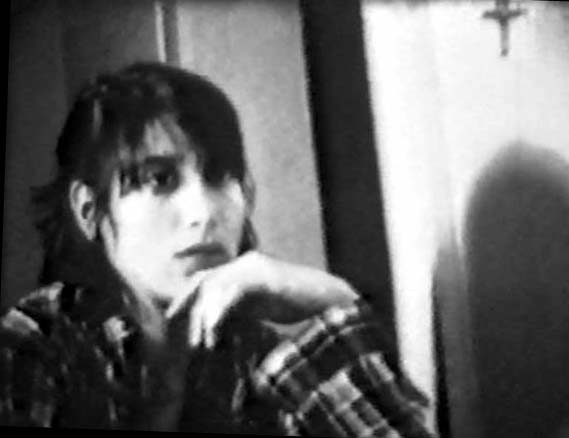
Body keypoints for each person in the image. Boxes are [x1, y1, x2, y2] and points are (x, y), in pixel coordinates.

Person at [0, 62, 434, 436]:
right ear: (90, 210)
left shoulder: (266, 362)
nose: (203, 212)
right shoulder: (38, 341)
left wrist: (334, 303)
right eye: (159, 179)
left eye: (221, 176)